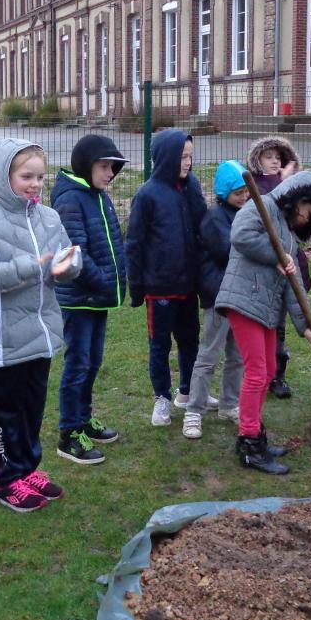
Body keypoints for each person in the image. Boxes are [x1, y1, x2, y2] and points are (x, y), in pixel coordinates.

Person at [0, 139, 81, 513]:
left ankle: (28, 468)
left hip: (41, 334)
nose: (36, 184)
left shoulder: (49, 217)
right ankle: (6, 480)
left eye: (40, 176)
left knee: (32, 408)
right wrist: (29, 267)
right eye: (26, 176)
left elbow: (64, 259)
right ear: (2, 176)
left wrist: (69, 267)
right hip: (3, 340)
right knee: (6, 414)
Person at [214, 170, 311, 474]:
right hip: (243, 300)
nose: (309, 217)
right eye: (310, 209)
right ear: (299, 198)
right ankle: (248, 443)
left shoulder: (290, 237)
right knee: (256, 373)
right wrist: (277, 256)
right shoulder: (263, 205)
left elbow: (293, 291)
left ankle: (256, 433)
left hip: (265, 309)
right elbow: (240, 236)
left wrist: (310, 328)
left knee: (268, 371)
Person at [50, 134, 128, 465]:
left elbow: (110, 243)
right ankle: (69, 433)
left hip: (97, 297)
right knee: (78, 363)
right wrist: (104, 286)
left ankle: (84, 420)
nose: (110, 173)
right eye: (104, 166)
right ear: (86, 164)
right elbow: (75, 255)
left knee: (92, 362)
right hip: (80, 298)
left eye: (113, 167)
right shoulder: (71, 199)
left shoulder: (98, 196)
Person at [125, 129, 206, 426]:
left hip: (189, 285)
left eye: (191, 156)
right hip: (159, 289)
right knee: (160, 344)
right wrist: (136, 287)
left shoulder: (191, 187)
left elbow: (203, 227)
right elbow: (133, 244)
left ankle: (187, 391)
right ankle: (162, 397)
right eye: (183, 157)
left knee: (190, 340)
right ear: (167, 157)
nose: (188, 162)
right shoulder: (147, 195)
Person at [182, 161, 248, 439]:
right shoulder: (214, 220)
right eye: (238, 193)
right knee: (209, 354)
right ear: (224, 194)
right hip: (218, 296)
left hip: (242, 296)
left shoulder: (246, 215)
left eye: (246, 191)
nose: (244, 197)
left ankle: (230, 404)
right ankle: (194, 411)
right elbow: (227, 252)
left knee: (237, 356)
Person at [246, 134, 303, 399]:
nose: (274, 162)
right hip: (266, 266)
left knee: (281, 322)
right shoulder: (255, 187)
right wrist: (284, 182)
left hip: (288, 261)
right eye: (268, 157)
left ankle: (279, 374)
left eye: (278, 158)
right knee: (267, 322)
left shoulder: (290, 185)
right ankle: (264, 372)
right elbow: (269, 209)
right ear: (257, 160)